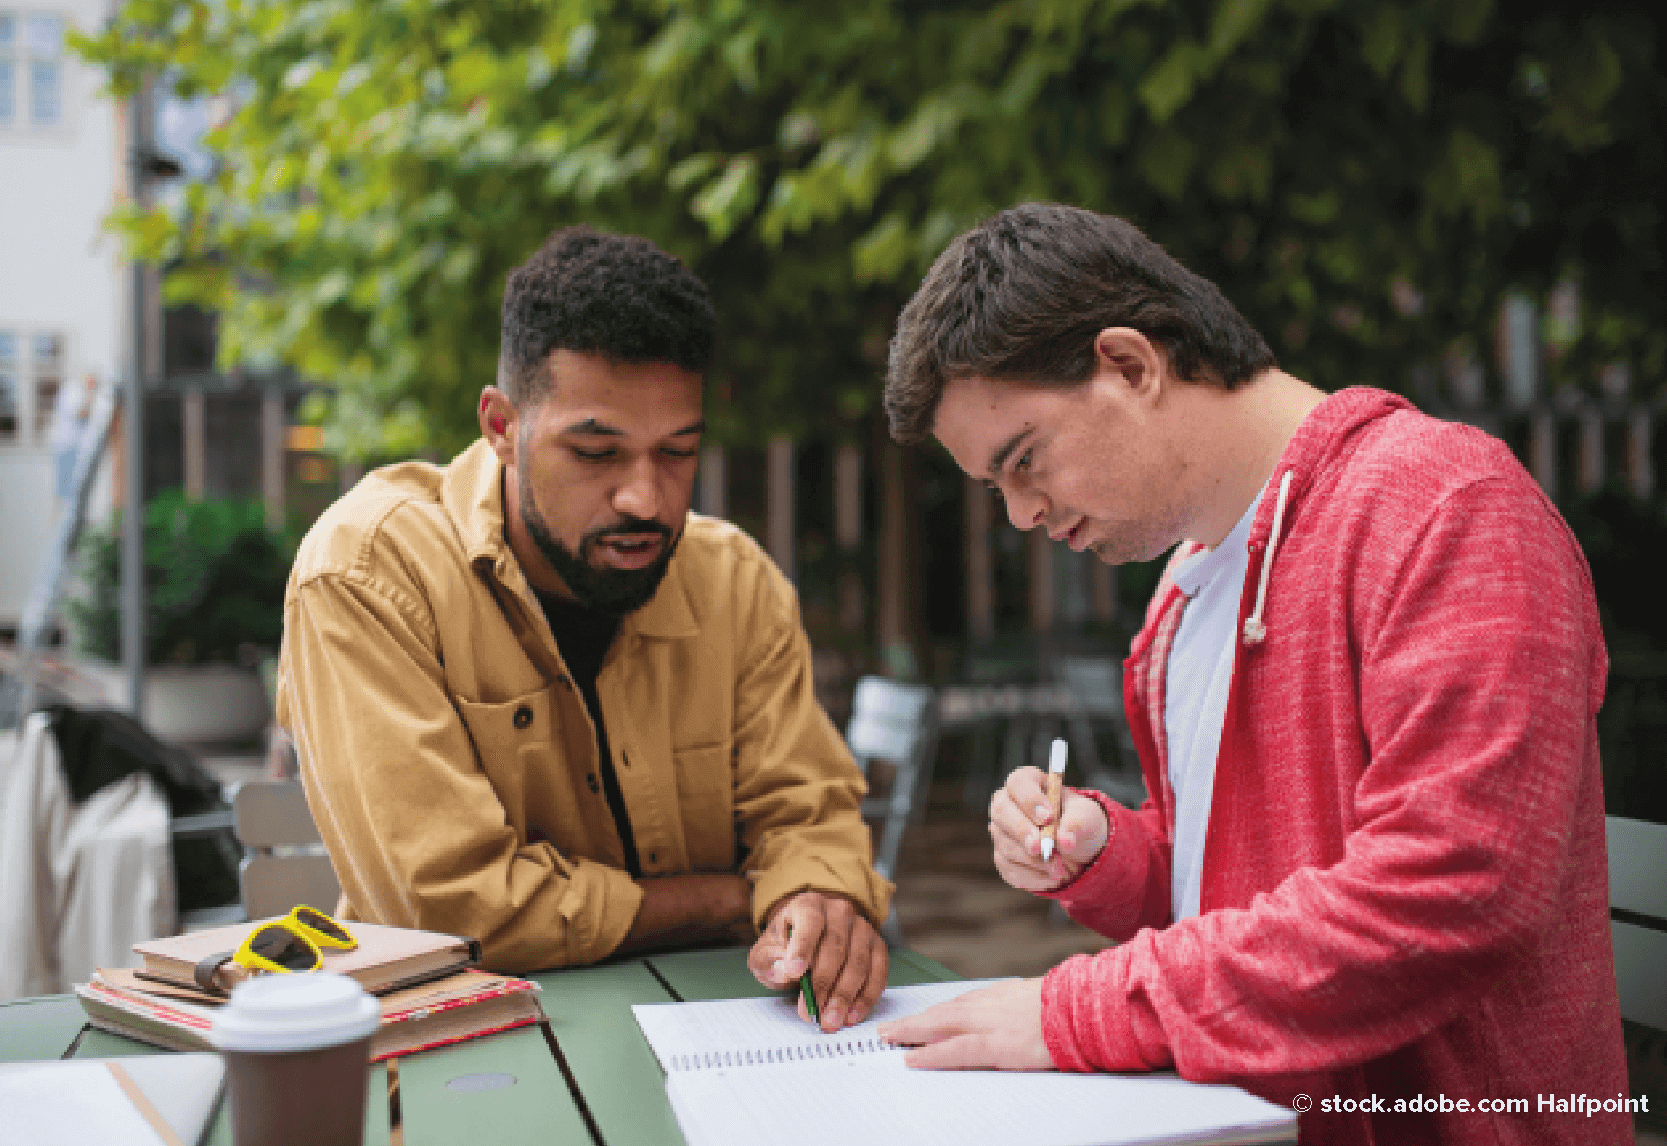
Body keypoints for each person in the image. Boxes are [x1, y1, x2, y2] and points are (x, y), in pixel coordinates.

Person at [874, 203, 1629, 1144]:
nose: (1021, 514)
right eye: (996, 489)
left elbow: (1456, 891)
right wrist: (1107, 854)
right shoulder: (1182, 594)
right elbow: (1227, 896)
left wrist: (1079, 1011)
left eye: (1023, 460)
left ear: (1130, 364)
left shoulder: (1447, 508)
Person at [276, 226, 890, 1031]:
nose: (645, 497)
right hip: (457, 1047)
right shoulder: (367, 572)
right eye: (596, 453)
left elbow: (808, 816)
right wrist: (731, 899)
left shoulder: (735, 582)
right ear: (501, 427)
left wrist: (819, 894)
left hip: (735, 1034)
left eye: (677, 453)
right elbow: (447, 905)